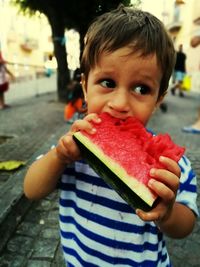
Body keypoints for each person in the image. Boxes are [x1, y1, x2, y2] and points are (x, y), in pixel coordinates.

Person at [24, 6, 198, 266]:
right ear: (85, 85)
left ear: (158, 99)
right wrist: (59, 157)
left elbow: (184, 226)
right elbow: (31, 189)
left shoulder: (170, 166)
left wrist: (167, 212)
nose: (119, 103)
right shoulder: (73, 148)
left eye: (141, 88)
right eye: (107, 83)